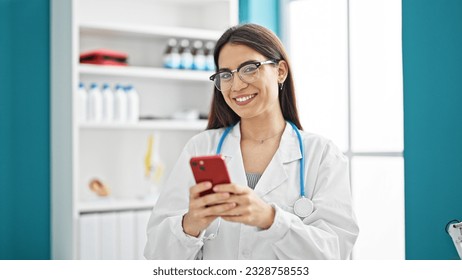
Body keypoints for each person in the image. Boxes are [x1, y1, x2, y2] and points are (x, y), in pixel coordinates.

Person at [144, 23, 359, 260]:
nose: (236, 86)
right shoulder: (200, 147)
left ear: (280, 71)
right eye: (226, 74)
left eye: (249, 68)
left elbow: (335, 255)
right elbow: (156, 254)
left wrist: (269, 219)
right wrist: (191, 224)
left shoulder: (321, 155)